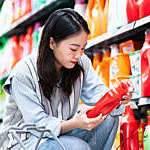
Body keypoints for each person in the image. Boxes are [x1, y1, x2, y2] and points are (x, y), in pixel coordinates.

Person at [0, 8, 132, 150]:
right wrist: (75, 123)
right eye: (73, 49)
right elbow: (38, 124)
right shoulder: (24, 73)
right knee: (77, 146)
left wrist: (116, 99)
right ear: (52, 43)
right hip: (25, 140)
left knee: (109, 116)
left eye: (83, 48)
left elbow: (98, 95)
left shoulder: (80, 63)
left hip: (61, 132)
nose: (79, 55)